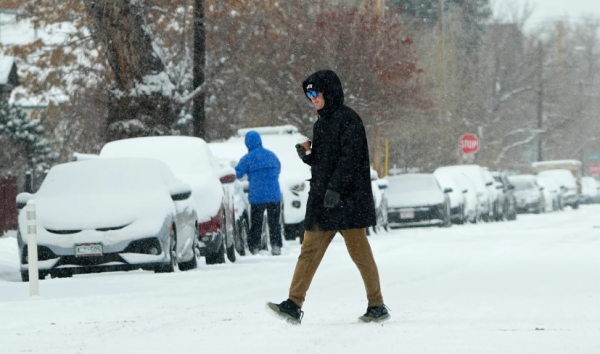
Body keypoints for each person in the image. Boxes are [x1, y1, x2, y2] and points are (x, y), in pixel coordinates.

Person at [267, 70, 389, 324]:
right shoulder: (321, 123)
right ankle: (293, 303)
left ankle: (377, 305)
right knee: (309, 250)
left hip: (348, 201)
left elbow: (350, 160)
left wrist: (336, 188)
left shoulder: (349, 120)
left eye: (315, 92)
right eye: (308, 93)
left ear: (329, 92)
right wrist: (309, 156)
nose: (312, 98)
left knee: (360, 253)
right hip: (325, 201)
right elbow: (326, 162)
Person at [235, 131, 283, 256]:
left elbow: (237, 173)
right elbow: (278, 168)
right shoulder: (271, 155)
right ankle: (276, 246)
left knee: (256, 223)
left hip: (257, 196)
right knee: (274, 222)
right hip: (274, 194)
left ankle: (254, 247)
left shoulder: (248, 158)